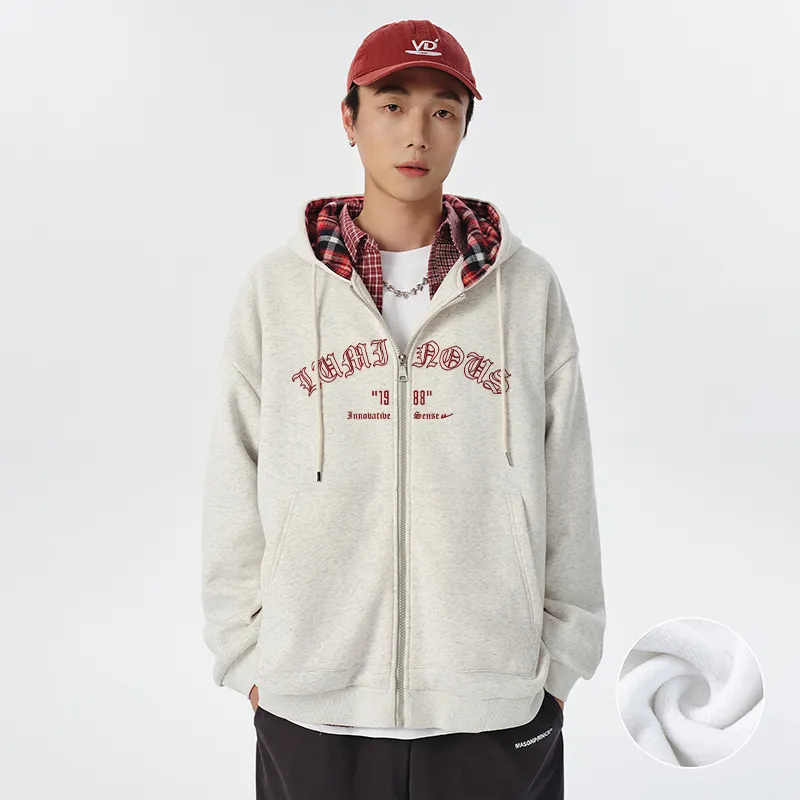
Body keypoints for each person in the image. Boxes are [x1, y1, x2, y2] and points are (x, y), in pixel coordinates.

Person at [200, 18, 606, 799]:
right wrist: (249, 658)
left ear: (464, 128)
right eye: (392, 104)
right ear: (349, 118)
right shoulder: (276, 293)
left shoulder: (527, 292)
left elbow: (569, 479)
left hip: (494, 706)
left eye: (443, 109)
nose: (417, 131)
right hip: (309, 704)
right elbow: (232, 477)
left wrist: (560, 665)